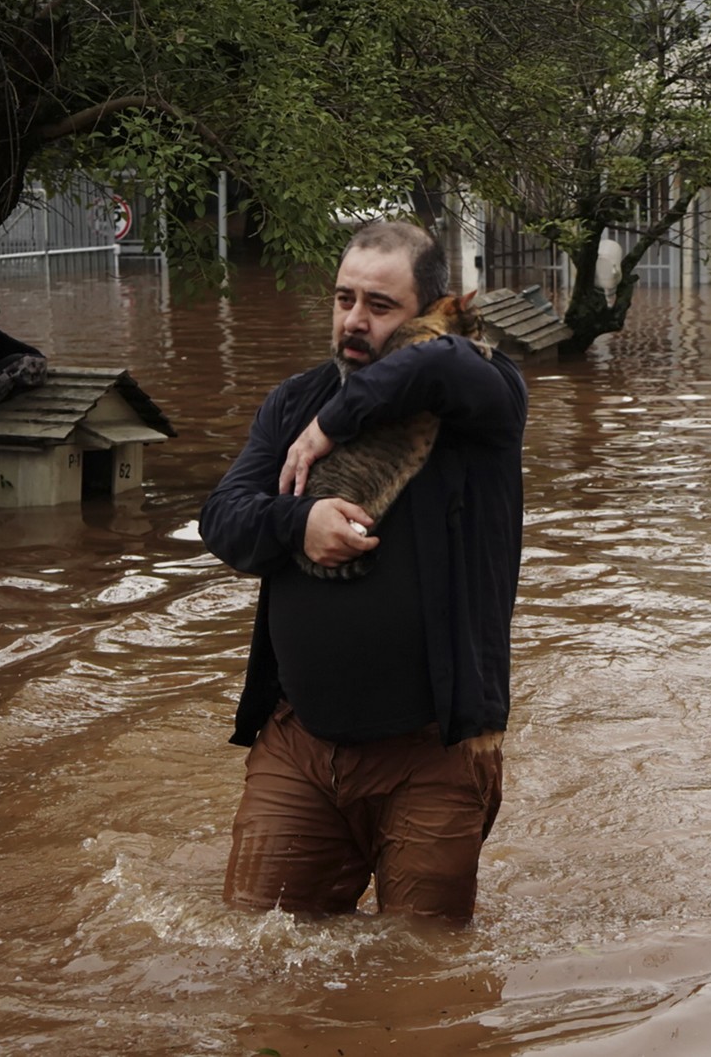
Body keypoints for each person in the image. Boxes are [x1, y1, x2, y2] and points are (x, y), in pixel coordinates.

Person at [198, 221, 528, 924]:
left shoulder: (485, 400)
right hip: (299, 742)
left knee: (425, 978)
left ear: (434, 313)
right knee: (252, 955)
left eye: (380, 305)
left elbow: (439, 368)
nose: (353, 320)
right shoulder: (293, 400)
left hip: (434, 752)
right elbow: (223, 520)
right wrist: (299, 524)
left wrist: (333, 426)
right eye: (343, 298)